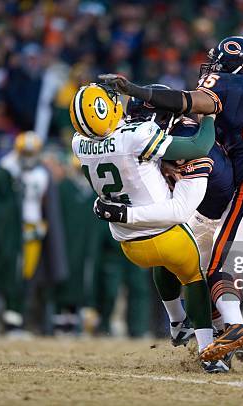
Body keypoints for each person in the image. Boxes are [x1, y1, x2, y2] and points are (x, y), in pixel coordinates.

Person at [101, 35, 243, 374]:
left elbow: (188, 103)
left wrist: (137, 91)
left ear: (230, 65)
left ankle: (233, 328)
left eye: (217, 62)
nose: (211, 68)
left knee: (215, 270)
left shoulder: (219, 88)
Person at [70, 82, 224, 372]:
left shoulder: (79, 143)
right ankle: (208, 351)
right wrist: (210, 115)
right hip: (165, 232)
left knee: (162, 263)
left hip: (129, 244)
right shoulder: (137, 135)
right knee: (194, 278)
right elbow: (199, 146)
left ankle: (178, 323)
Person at [0, 131, 51, 335]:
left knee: (26, 274)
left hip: (32, 227)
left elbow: (42, 202)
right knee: (12, 272)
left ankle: (16, 319)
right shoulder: (8, 169)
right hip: (14, 227)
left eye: (32, 152)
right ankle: (9, 320)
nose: (29, 157)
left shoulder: (41, 174)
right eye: (25, 152)